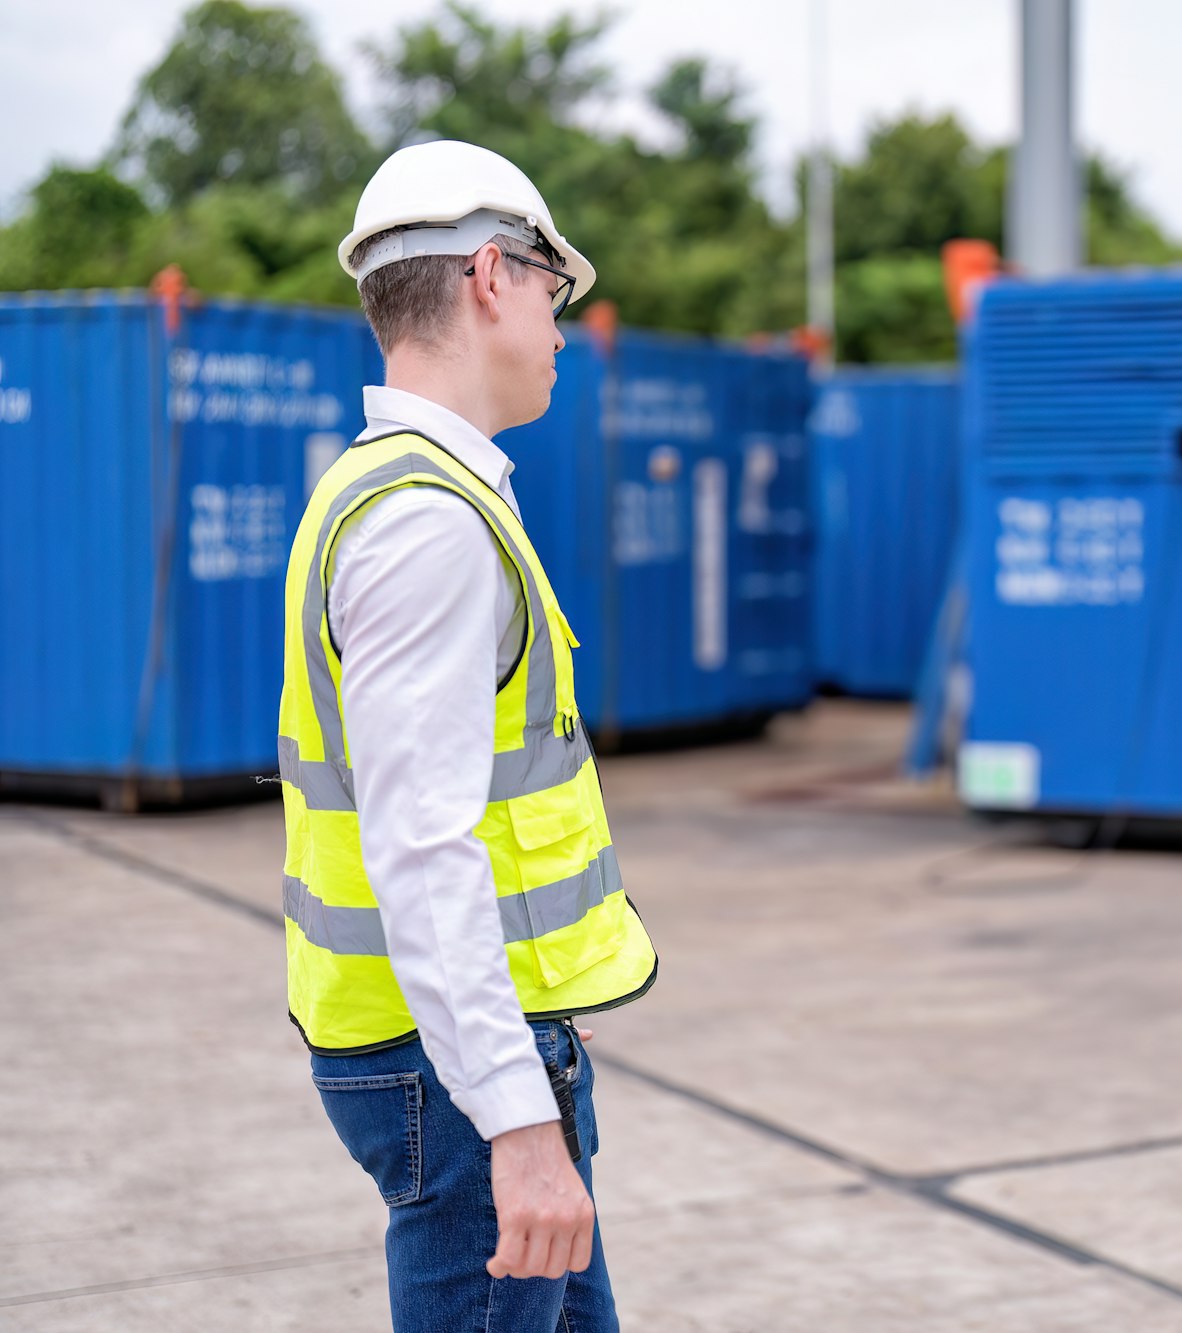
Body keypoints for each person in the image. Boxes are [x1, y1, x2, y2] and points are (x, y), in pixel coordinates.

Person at [275, 140, 658, 1332]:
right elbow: (421, 846)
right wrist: (515, 1113)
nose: (561, 327)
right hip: (452, 1080)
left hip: (470, 1045)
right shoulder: (424, 526)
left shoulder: (390, 492)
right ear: (492, 275)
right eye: (556, 291)